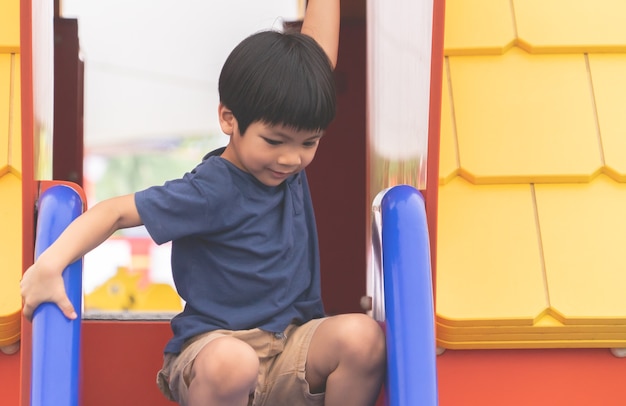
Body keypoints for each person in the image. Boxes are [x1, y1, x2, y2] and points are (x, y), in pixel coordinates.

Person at [21, 0, 386, 405]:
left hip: (290, 347)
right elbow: (115, 212)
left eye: (308, 143)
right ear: (229, 119)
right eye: (275, 141)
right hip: (216, 351)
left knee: (363, 337)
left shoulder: (286, 164)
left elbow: (318, 57)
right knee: (235, 362)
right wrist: (49, 265)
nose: (291, 158)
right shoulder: (211, 189)